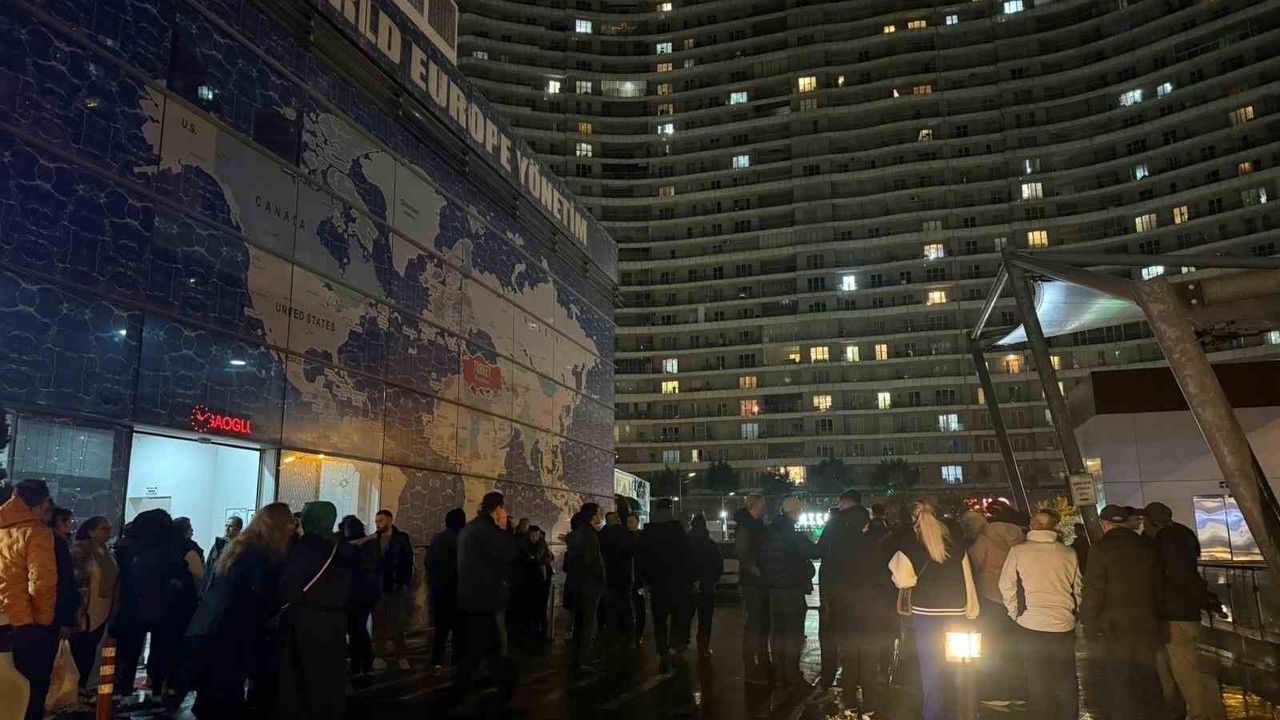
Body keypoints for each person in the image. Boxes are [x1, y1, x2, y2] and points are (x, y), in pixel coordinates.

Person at [188, 502, 294, 719]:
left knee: (214, 692)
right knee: (226, 694)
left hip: (214, 627)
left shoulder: (239, 547)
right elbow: (264, 596)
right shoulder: (263, 554)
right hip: (236, 630)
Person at [888, 499, 980, 720]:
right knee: (959, 668)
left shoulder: (909, 542)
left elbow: (904, 580)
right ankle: (961, 712)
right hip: (957, 613)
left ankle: (934, 714)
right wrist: (972, 609)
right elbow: (967, 578)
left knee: (931, 669)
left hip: (926, 614)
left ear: (913, 519)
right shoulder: (955, 542)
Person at [1080, 504, 1166, 720]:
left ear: (1104, 524)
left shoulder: (1100, 549)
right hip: (1146, 621)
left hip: (1113, 626)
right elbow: (1158, 585)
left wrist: (1089, 624)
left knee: (1120, 678)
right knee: (1148, 675)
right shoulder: (1146, 546)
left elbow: (1094, 590)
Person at [1144, 501, 1225, 720]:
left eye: (1145, 521)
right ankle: (1200, 708)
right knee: (1190, 662)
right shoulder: (1185, 534)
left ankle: (1199, 713)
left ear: (1153, 522)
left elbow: (1169, 575)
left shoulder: (1162, 541)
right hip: (1189, 610)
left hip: (1173, 613)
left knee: (1184, 667)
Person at [998, 509, 1083, 720]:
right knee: (1066, 678)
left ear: (1032, 525)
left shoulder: (1018, 552)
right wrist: (1074, 612)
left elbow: (1006, 584)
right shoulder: (1068, 553)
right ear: (1053, 526)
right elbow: (1078, 588)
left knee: (1036, 679)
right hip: (1063, 623)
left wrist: (1014, 612)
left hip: (1031, 622)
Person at [275, 501, 354, 720]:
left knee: (302, 680)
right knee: (329, 677)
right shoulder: (344, 548)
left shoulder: (306, 547)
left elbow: (289, 584)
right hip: (336, 620)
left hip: (305, 619)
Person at [112, 508, 198, 707]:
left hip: (132, 607)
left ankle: (124, 691)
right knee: (160, 650)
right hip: (165, 609)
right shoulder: (174, 550)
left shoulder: (127, 549)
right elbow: (184, 579)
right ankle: (157, 689)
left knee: (130, 651)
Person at [817, 494, 894, 711]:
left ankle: (849, 700)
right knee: (869, 658)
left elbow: (829, 577)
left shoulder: (837, 547)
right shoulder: (873, 546)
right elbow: (883, 579)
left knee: (849, 657)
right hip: (869, 610)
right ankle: (869, 704)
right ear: (864, 524)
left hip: (844, 610)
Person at [0, 479, 57, 720]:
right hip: (23, 623)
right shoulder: (36, 533)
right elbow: (42, 581)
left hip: (2, 618)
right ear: (43, 504)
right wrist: (43, 620)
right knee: (30, 689)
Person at [456, 492, 516, 698]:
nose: (505, 514)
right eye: (504, 509)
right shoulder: (491, 532)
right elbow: (507, 557)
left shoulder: (468, 529)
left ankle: (470, 684)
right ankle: (467, 689)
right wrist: (506, 530)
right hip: (487, 597)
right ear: (497, 509)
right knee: (491, 645)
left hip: (468, 595)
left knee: (478, 645)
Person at [968, 501, 1026, 703]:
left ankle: (996, 690)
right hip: (1016, 594)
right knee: (1016, 642)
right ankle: (1019, 689)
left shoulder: (983, 539)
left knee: (993, 642)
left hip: (991, 593)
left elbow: (975, 564)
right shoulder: (1018, 537)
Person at [760, 496, 818, 687]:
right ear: (796, 512)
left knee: (777, 632)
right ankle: (792, 674)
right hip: (792, 588)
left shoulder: (768, 532)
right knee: (793, 632)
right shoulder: (793, 532)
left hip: (773, 589)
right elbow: (812, 552)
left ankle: (779, 674)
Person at [634, 499, 692, 671]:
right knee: (676, 616)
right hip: (677, 582)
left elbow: (641, 558)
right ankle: (673, 646)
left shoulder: (648, 531)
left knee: (659, 618)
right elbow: (686, 556)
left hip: (656, 582)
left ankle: (661, 649)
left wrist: (644, 580)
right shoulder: (677, 530)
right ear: (670, 509)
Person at [70, 516, 117, 697]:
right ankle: (76, 689)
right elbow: (76, 582)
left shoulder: (107, 552)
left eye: (109, 529)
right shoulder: (80, 551)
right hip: (85, 608)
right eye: (103, 529)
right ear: (91, 531)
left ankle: (84, 687)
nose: (108, 532)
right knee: (80, 649)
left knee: (91, 650)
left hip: (103, 607)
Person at [733, 493, 771, 683]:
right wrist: (756, 570)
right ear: (755, 505)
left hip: (757, 580)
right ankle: (751, 666)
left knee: (760, 622)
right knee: (755, 623)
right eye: (762, 504)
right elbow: (742, 552)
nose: (764, 507)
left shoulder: (753, 524)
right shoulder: (747, 526)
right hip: (753, 581)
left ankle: (762, 661)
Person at [338, 515, 380, 684]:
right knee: (359, 628)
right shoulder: (369, 544)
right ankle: (365, 663)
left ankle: (358, 664)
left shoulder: (352, 547)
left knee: (355, 629)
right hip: (367, 592)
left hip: (355, 593)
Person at [371, 509, 413, 672]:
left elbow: (408, 561)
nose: (377, 524)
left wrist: (404, 582)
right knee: (378, 623)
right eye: (376, 521)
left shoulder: (401, 539)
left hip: (395, 587)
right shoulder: (374, 539)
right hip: (379, 588)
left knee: (397, 624)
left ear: (389, 520)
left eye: (380, 520)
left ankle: (401, 656)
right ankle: (379, 656)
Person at [563, 502, 604, 668]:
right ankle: (584, 658)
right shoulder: (589, 534)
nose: (600, 516)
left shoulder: (577, 534)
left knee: (580, 623)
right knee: (587, 623)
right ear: (592, 516)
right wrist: (598, 579)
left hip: (576, 585)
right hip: (588, 586)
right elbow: (590, 561)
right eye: (598, 513)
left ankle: (577, 657)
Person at [426, 508, 466, 669]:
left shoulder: (438, 539)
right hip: (460, 590)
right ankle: (458, 661)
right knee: (459, 630)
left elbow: (429, 562)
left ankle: (437, 659)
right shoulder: (465, 539)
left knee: (440, 629)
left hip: (440, 589)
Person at [687, 514, 723, 659]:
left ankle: (680, 644)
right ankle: (703, 648)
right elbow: (718, 566)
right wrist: (712, 579)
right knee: (705, 620)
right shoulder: (711, 545)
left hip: (688, 587)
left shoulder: (685, 544)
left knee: (685, 617)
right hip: (707, 586)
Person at [598, 510, 637, 644]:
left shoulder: (601, 535)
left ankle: (611, 631)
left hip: (607, 575)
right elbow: (632, 552)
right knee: (626, 604)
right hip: (624, 575)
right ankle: (627, 631)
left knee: (609, 605)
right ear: (618, 520)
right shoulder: (626, 534)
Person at [525, 526, 554, 641]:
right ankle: (539, 624)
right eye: (533, 535)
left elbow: (544, 558)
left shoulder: (540, 544)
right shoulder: (533, 544)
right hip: (536, 577)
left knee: (540, 602)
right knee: (539, 602)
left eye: (537, 535)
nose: (535, 538)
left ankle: (539, 624)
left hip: (540, 578)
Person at [204, 517, 243, 594]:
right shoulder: (218, 545)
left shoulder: (241, 547)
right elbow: (208, 566)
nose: (227, 529)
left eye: (230, 526)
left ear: (238, 529)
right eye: (226, 525)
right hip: (213, 587)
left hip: (230, 589)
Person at [625, 514, 646, 645]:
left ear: (637, 522)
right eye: (628, 522)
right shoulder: (624, 537)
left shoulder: (642, 537)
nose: (629, 524)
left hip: (638, 579)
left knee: (639, 607)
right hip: (627, 577)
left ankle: (638, 633)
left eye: (631, 522)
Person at [174, 516, 206, 589]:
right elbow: (198, 579)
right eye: (190, 527)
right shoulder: (190, 549)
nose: (192, 530)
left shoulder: (167, 548)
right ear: (184, 530)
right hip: (187, 592)